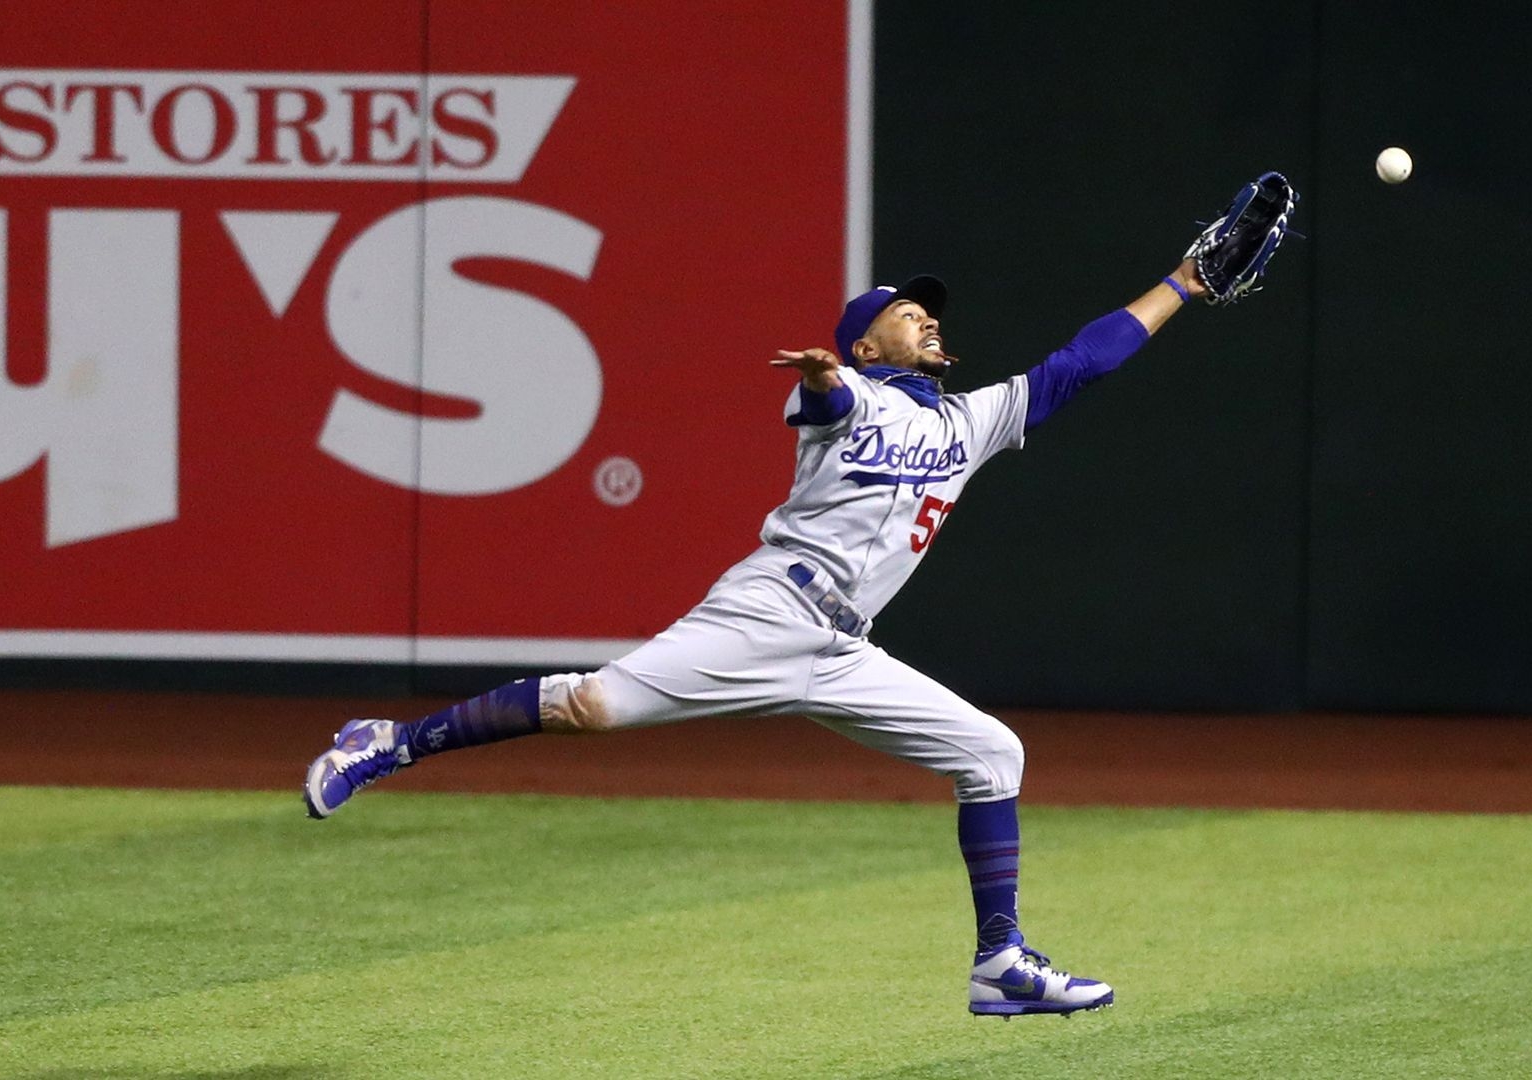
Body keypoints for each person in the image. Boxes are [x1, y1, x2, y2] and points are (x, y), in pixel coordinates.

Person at [304, 255, 1215, 1017]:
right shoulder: (850, 389)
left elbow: (1083, 361)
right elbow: (823, 408)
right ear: (865, 342)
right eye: (907, 315)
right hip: (769, 611)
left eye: (931, 315)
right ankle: (386, 742)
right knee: (595, 706)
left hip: (845, 648)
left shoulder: (975, 420)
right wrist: (822, 381)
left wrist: (1181, 282)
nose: (928, 323)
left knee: (992, 753)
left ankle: (999, 962)